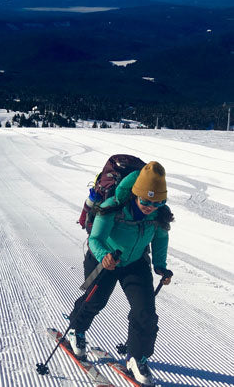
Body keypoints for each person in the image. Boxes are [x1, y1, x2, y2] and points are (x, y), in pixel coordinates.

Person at [66, 161, 174, 386]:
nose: (149, 206)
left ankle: (137, 357)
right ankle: (76, 330)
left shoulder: (159, 215)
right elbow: (95, 239)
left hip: (135, 263)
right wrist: (105, 255)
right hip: (104, 259)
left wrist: (160, 266)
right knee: (95, 299)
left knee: (145, 311)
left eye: (156, 202)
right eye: (145, 200)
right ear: (136, 194)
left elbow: (161, 239)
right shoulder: (112, 207)